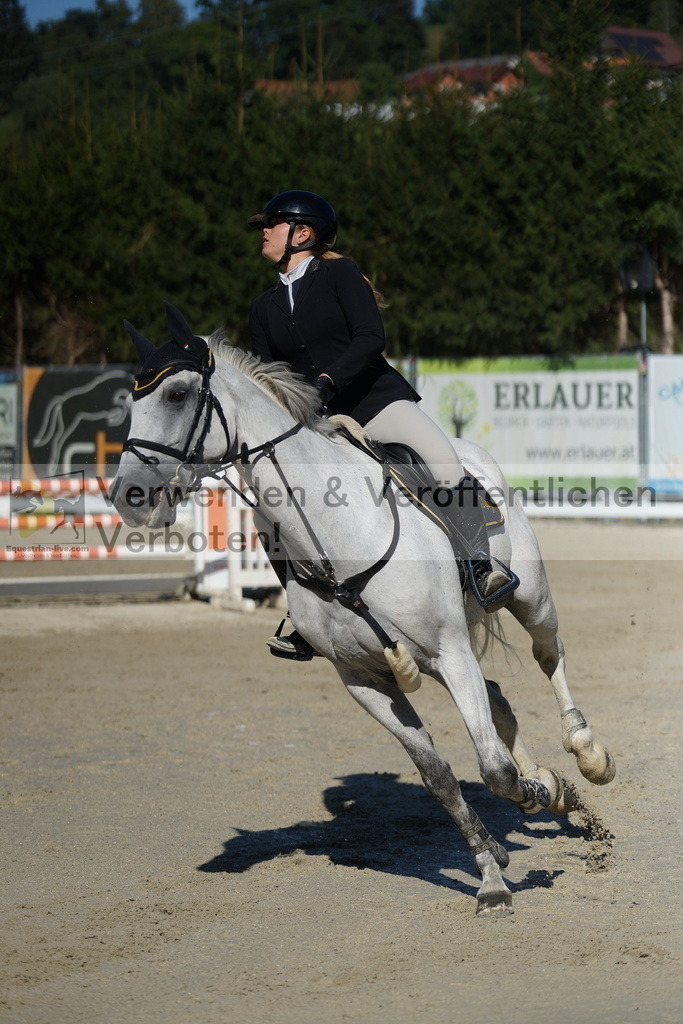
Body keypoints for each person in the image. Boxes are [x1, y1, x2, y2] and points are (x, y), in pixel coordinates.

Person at [248, 189, 517, 659]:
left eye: (272, 224)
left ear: (302, 234)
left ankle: (479, 564)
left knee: (441, 459)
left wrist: (328, 381)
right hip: (316, 424)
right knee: (266, 511)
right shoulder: (262, 307)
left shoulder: (340, 274)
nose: (264, 232)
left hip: (373, 401)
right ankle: (303, 612)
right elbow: (269, 376)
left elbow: (371, 337)